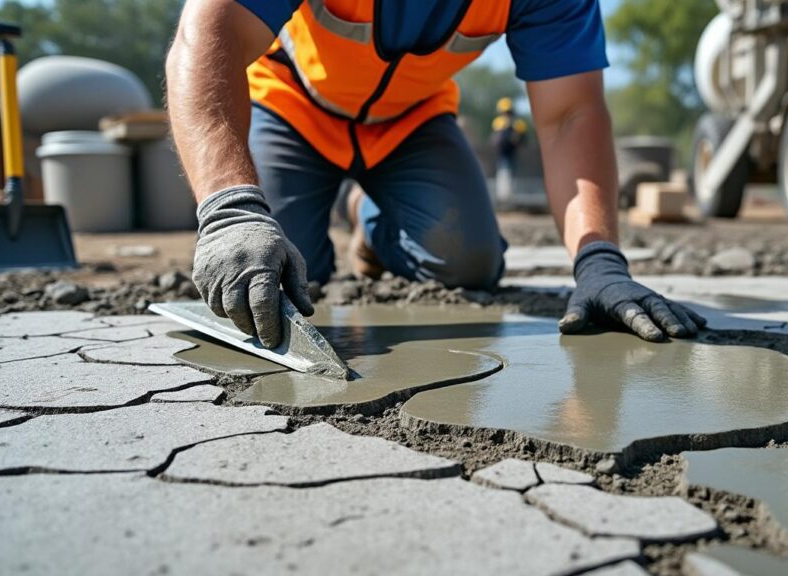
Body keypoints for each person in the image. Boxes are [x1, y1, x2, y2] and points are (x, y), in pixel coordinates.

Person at [166, 0, 706, 348]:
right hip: (294, 107)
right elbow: (208, 32)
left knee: (468, 260)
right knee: (273, 271)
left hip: (411, 121)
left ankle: (366, 214)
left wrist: (600, 261)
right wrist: (231, 209)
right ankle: (336, 207)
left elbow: (571, 114)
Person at [491, 97, 527, 203]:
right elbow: (495, 139)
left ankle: (510, 197)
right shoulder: (498, 122)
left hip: (512, 152)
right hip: (502, 153)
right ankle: (504, 197)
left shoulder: (517, 123)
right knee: (504, 172)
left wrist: (516, 138)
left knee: (510, 173)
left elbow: (522, 139)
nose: (506, 113)